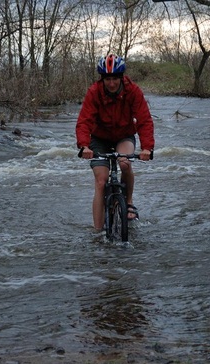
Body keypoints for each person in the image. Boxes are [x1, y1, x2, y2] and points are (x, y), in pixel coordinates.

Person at [76, 54, 155, 231]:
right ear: (102, 79)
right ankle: (97, 233)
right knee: (101, 181)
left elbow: (144, 120)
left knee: (125, 163)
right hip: (99, 138)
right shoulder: (94, 92)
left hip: (123, 135)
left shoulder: (133, 91)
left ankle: (128, 202)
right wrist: (84, 146)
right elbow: (84, 121)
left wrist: (147, 148)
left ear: (121, 78)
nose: (111, 83)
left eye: (115, 79)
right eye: (108, 79)